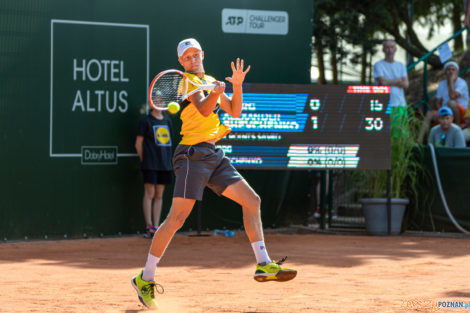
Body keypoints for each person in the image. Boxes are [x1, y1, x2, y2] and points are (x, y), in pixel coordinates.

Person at [131, 38, 297, 308]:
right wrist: (217, 91)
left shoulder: (209, 79)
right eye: (187, 57)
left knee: (252, 201)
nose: (193, 59)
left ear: (203, 55)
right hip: (191, 155)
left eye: (196, 54)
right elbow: (205, 108)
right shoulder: (185, 82)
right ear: (181, 62)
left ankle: (263, 264)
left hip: (213, 154)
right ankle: (145, 277)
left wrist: (237, 86)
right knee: (176, 220)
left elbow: (235, 111)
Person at [135, 105, 174, 238]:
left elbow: (169, 142)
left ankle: (156, 227)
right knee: (149, 193)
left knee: (159, 195)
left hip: (164, 165)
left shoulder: (168, 122)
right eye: (158, 100)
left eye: (163, 101)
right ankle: (149, 227)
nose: (161, 103)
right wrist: (144, 160)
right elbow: (138, 144)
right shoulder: (146, 121)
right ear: (152, 103)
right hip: (150, 164)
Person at [418, 61, 469, 143]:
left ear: (457, 72)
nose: (451, 71)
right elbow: (438, 102)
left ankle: (457, 126)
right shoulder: (442, 84)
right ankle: (419, 140)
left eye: (453, 69)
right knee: (429, 114)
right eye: (448, 69)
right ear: (445, 72)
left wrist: (451, 81)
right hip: (447, 110)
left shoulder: (462, 83)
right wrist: (442, 112)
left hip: (461, 112)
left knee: (451, 103)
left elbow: (452, 96)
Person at [373, 39, 409, 137]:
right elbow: (383, 83)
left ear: (395, 49)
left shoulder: (401, 65)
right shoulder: (378, 65)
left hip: (400, 105)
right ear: (383, 49)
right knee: (387, 136)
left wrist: (389, 82)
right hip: (385, 105)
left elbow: (406, 85)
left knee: (402, 137)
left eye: (392, 47)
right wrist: (398, 80)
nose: (389, 50)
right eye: (387, 47)